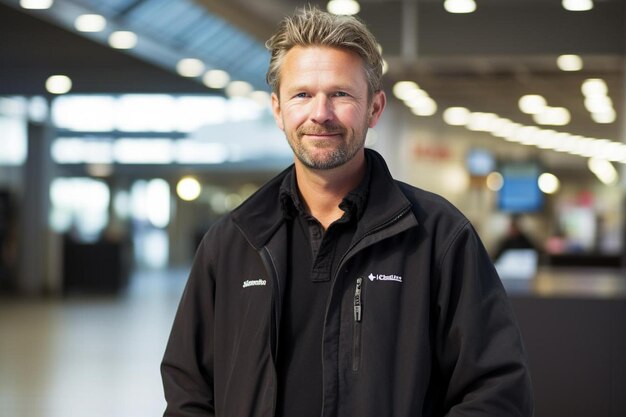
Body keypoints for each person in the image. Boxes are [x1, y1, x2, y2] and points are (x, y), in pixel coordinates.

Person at [161, 7, 533, 417]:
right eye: (302, 94)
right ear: (278, 108)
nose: (320, 113)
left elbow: (497, 392)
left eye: (340, 94)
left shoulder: (439, 237)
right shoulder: (233, 241)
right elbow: (188, 390)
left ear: (375, 108)